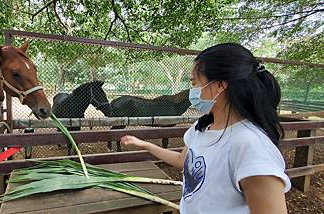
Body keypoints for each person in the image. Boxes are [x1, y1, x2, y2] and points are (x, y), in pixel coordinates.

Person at [121, 43, 291, 214]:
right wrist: (145, 145)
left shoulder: (251, 147)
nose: (192, 91)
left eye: (195, 83)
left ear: (219, 85)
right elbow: (183, 161)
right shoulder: (201, 127)